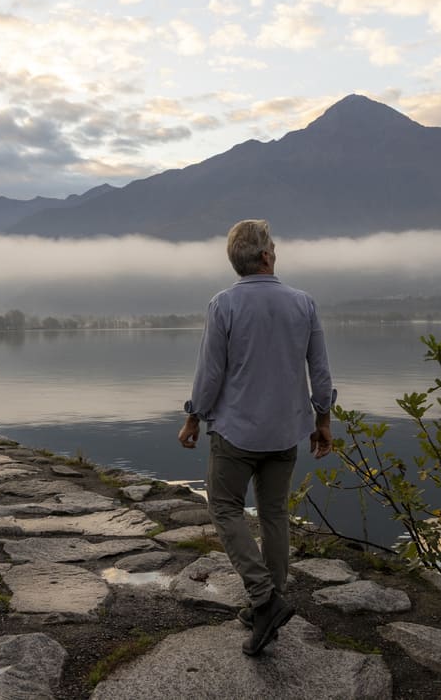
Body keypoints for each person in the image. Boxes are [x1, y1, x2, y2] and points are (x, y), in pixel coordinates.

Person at [177, 219, 336, 656]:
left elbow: (211, 373)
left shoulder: (223, 305)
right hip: (286, 430)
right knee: (274, 515)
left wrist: (194, 417)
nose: (276, 252)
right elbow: (319, 371)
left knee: (224, 507)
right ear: (265, 257)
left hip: (237, 431)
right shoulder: (303, 303)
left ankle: (264, 599)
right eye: (275, 247)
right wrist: (323, 419)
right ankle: (268, 602)